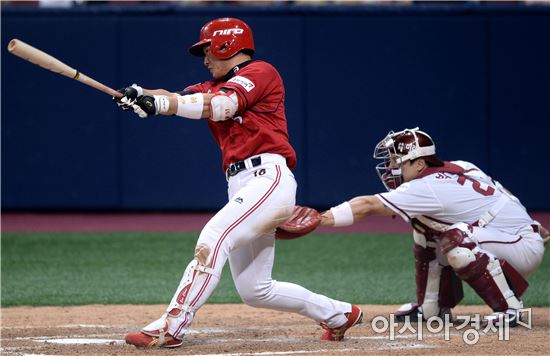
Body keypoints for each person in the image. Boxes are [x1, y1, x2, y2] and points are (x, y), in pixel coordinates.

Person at [115, 18, 362, 349]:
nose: (204, 59)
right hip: (242, 184)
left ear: (226, 45)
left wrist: (159, 104)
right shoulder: (211, 86)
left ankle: (172, 325)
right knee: (255, 289)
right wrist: (140, 95)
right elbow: (175, 98)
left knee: (213, 239)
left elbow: (221, 107)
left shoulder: (261, 73)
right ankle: (339, 314)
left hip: (268, 178)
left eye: (207, 50)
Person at [320, 127, 547, 326]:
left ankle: (510, 310)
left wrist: (321, 219)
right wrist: (532, 224)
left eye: (396, 162)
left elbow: (368, 205)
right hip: (512, 239)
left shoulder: (425, 187)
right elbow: (502, 195)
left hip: (519, 248)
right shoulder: (461, 166)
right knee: (423, 229)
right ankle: (432, 309)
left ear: (420, 164)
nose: (390, 167)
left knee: (459, 240)